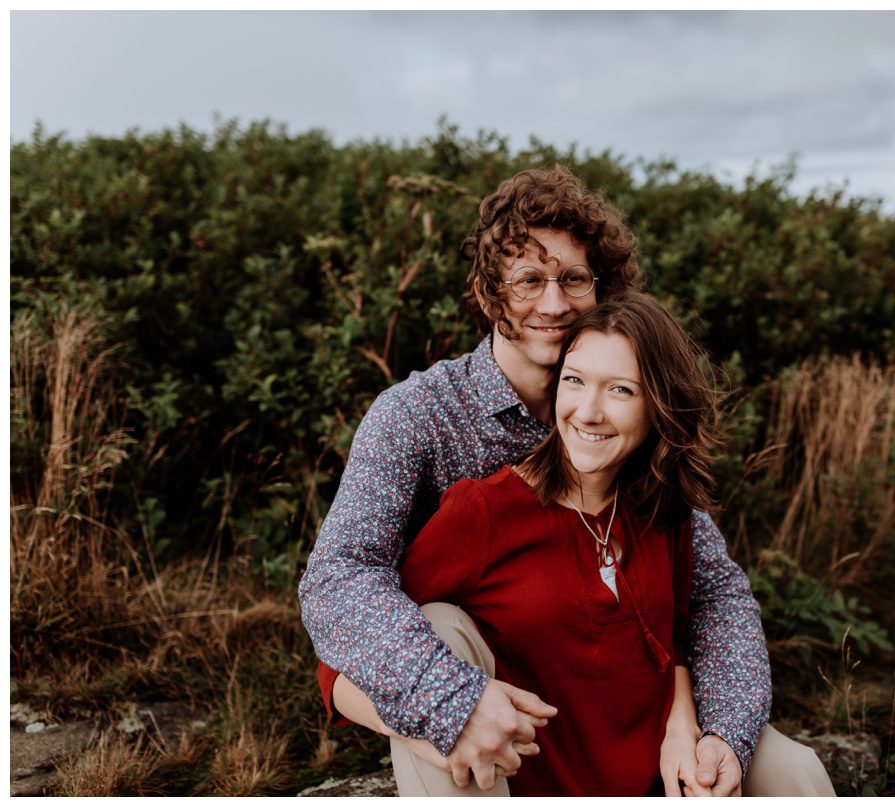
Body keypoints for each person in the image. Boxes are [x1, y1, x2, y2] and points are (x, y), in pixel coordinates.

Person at [298, 166, 835, 796]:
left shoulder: (629, 425)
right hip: (485, 694)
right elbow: (339, 578)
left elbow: (710, 591)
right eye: (529, 280)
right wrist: (450, 703)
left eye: (573, 279)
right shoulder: (420, 417)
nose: (554, 305)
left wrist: (709, 724)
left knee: (792, 770)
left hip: (618, 699)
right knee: (439, 620)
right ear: (489, 295)